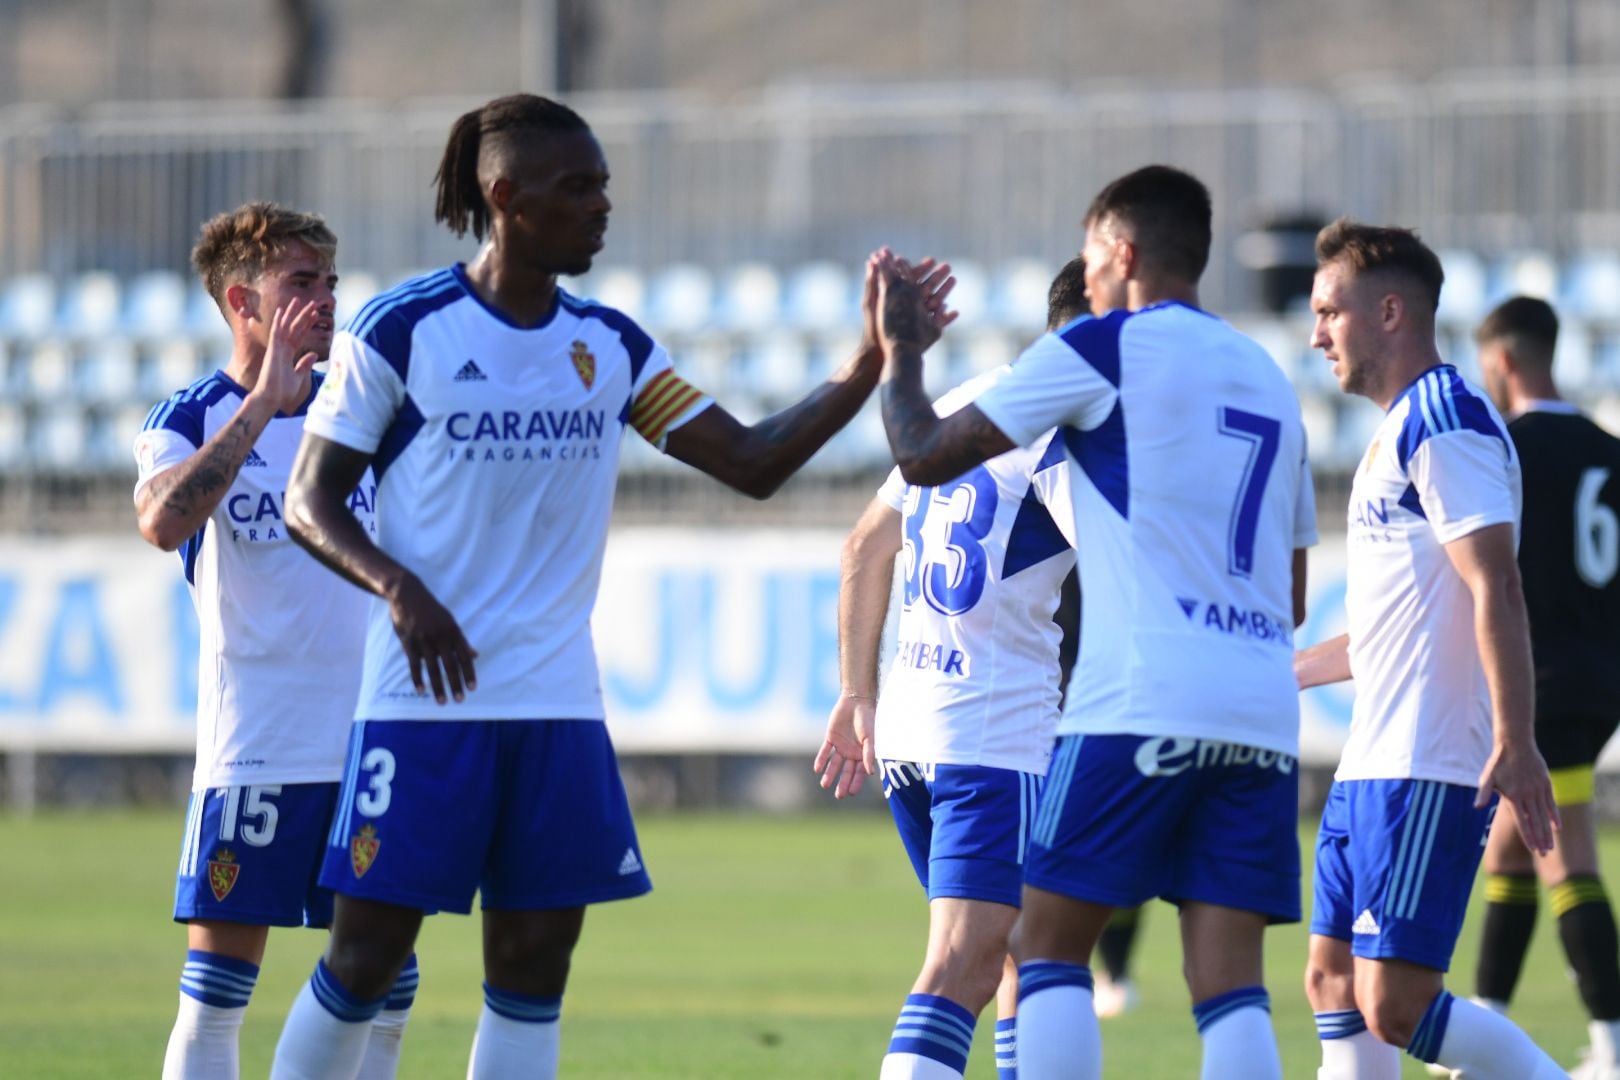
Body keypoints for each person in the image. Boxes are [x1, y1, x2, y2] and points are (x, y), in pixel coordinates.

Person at [264, 93, 956, 1080]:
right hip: (423, 708)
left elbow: (752, 462)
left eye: (603, 186)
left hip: (555, 707)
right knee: (365, 959)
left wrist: (867, 365)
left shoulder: (612, 348)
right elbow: (309, 500)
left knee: (535, 966)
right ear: (504, 196)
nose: (601, 206)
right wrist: (398, 588)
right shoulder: (404, 329)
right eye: (576, 187)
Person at [869, 164, 1316, 1080]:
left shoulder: (1102, 348)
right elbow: (1295, 589)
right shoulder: (1269, 374)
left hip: (1142, 696)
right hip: (1262, 706)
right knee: (1230, 983)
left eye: (1087, 256)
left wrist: (901, 351)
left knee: (1042, 947)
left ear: (1119, 253)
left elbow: (921, 455)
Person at [134, 203, 416, 1080]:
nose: (325, 300)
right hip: (256, 749)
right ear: (241, 302)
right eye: (300, 283)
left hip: (366, 746)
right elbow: (161, 520)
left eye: (329, 282)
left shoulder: (363, 418)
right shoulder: (192, 416)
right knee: (215, 997)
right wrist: (263, 405)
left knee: (386, 989)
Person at [1294, 222, 1565, 1080]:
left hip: (1429, 764)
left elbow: (1498, 586)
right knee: (1333, 983)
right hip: (1369, 761)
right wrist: (1281, 673)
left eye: (1330, 311)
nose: (1316, 334)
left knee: (1396, 1004)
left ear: (1389, 311)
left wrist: (1514, 742)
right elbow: (1388, 631)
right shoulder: (1397, 429)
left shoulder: (1447, 421)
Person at [814, 256, 1087, 1080]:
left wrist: (856, 692)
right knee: (964, 965)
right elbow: (1124, 563)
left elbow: (867, 543)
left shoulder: (968, 405)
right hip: (994, 737)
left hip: (911, 729)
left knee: (1015, 953)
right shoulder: (1060, 430)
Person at [1465, 295, 1620, 1080]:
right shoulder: (1609, 449)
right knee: (1513, 850)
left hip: (1544, 680)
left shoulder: (1508, 448)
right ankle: (1485, 1026)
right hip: (1602, 677)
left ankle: (1612, 1044)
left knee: (1566, 853)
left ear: (1503, 362)